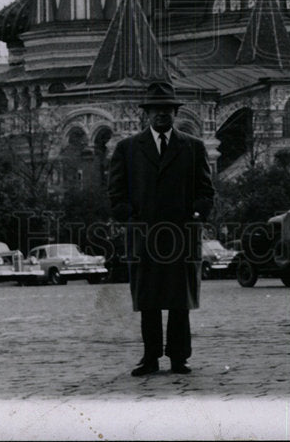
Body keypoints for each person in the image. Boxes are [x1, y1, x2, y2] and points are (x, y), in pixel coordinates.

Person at [108, 79, 215, 376]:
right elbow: (116, 193)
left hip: (181, 234)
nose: (161, 115)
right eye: (156, 109)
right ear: (147, 113)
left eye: (167, 109)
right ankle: (150, 357)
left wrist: (196, 215)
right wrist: (130, 217)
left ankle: (180, 357)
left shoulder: (193, 147)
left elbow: (206, 190)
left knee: (180, 300)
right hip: (144, 235)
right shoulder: (128, 148)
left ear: (174, 113)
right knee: (149, 299)